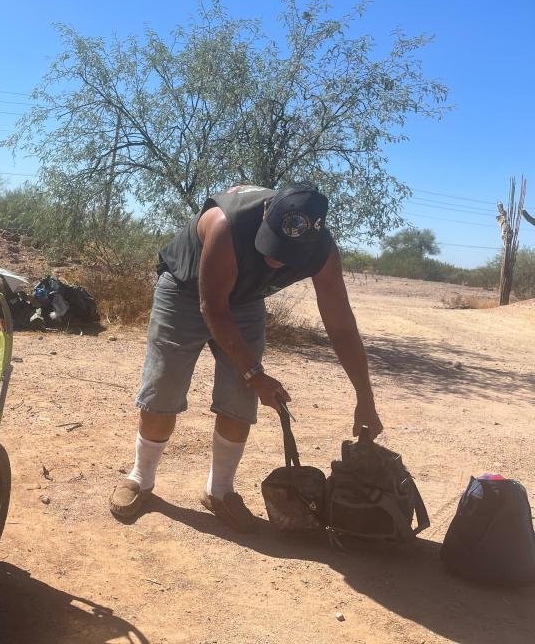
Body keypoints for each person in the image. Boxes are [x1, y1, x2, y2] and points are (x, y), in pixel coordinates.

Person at [108, 183, 383, 531]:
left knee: (240, 397)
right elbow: (213, 307)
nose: (275, 260)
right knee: (163, 387)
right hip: (185, 290)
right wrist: (256, 374)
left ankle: (219, 491)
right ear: (266, 213)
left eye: (287, 254)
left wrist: (365, 398)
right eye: (271, 244)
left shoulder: (323, 254)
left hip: (245, 300)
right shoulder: (227, 223)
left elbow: (342, 327)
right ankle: (141, 478)